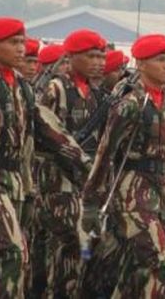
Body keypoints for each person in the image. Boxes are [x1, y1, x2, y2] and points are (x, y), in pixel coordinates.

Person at [0, 17, 90, 298]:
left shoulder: (22, 86)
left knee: (9, 258)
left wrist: (86, 165)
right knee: (10, 253)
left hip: (16, 181)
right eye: (13, 42)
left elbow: (50, 131)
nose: (21, 49)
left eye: (22, 42)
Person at [82, 34, 165, 298]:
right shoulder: (130, 105)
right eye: (160, 60)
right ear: (140, 64)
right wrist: (91, 202)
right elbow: (105, 153)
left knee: (132, 270)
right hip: (133, 192)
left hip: (161, 192)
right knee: (160, 262)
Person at [39, 29, 106, 297]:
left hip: (83, 182)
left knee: (86, 249)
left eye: (101, 56)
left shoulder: (95, 93)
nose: (99, 62)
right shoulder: (57, 88)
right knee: (65, 246)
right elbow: (46, 133)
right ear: (71, 57)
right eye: (91, 56)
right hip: (59, 181)